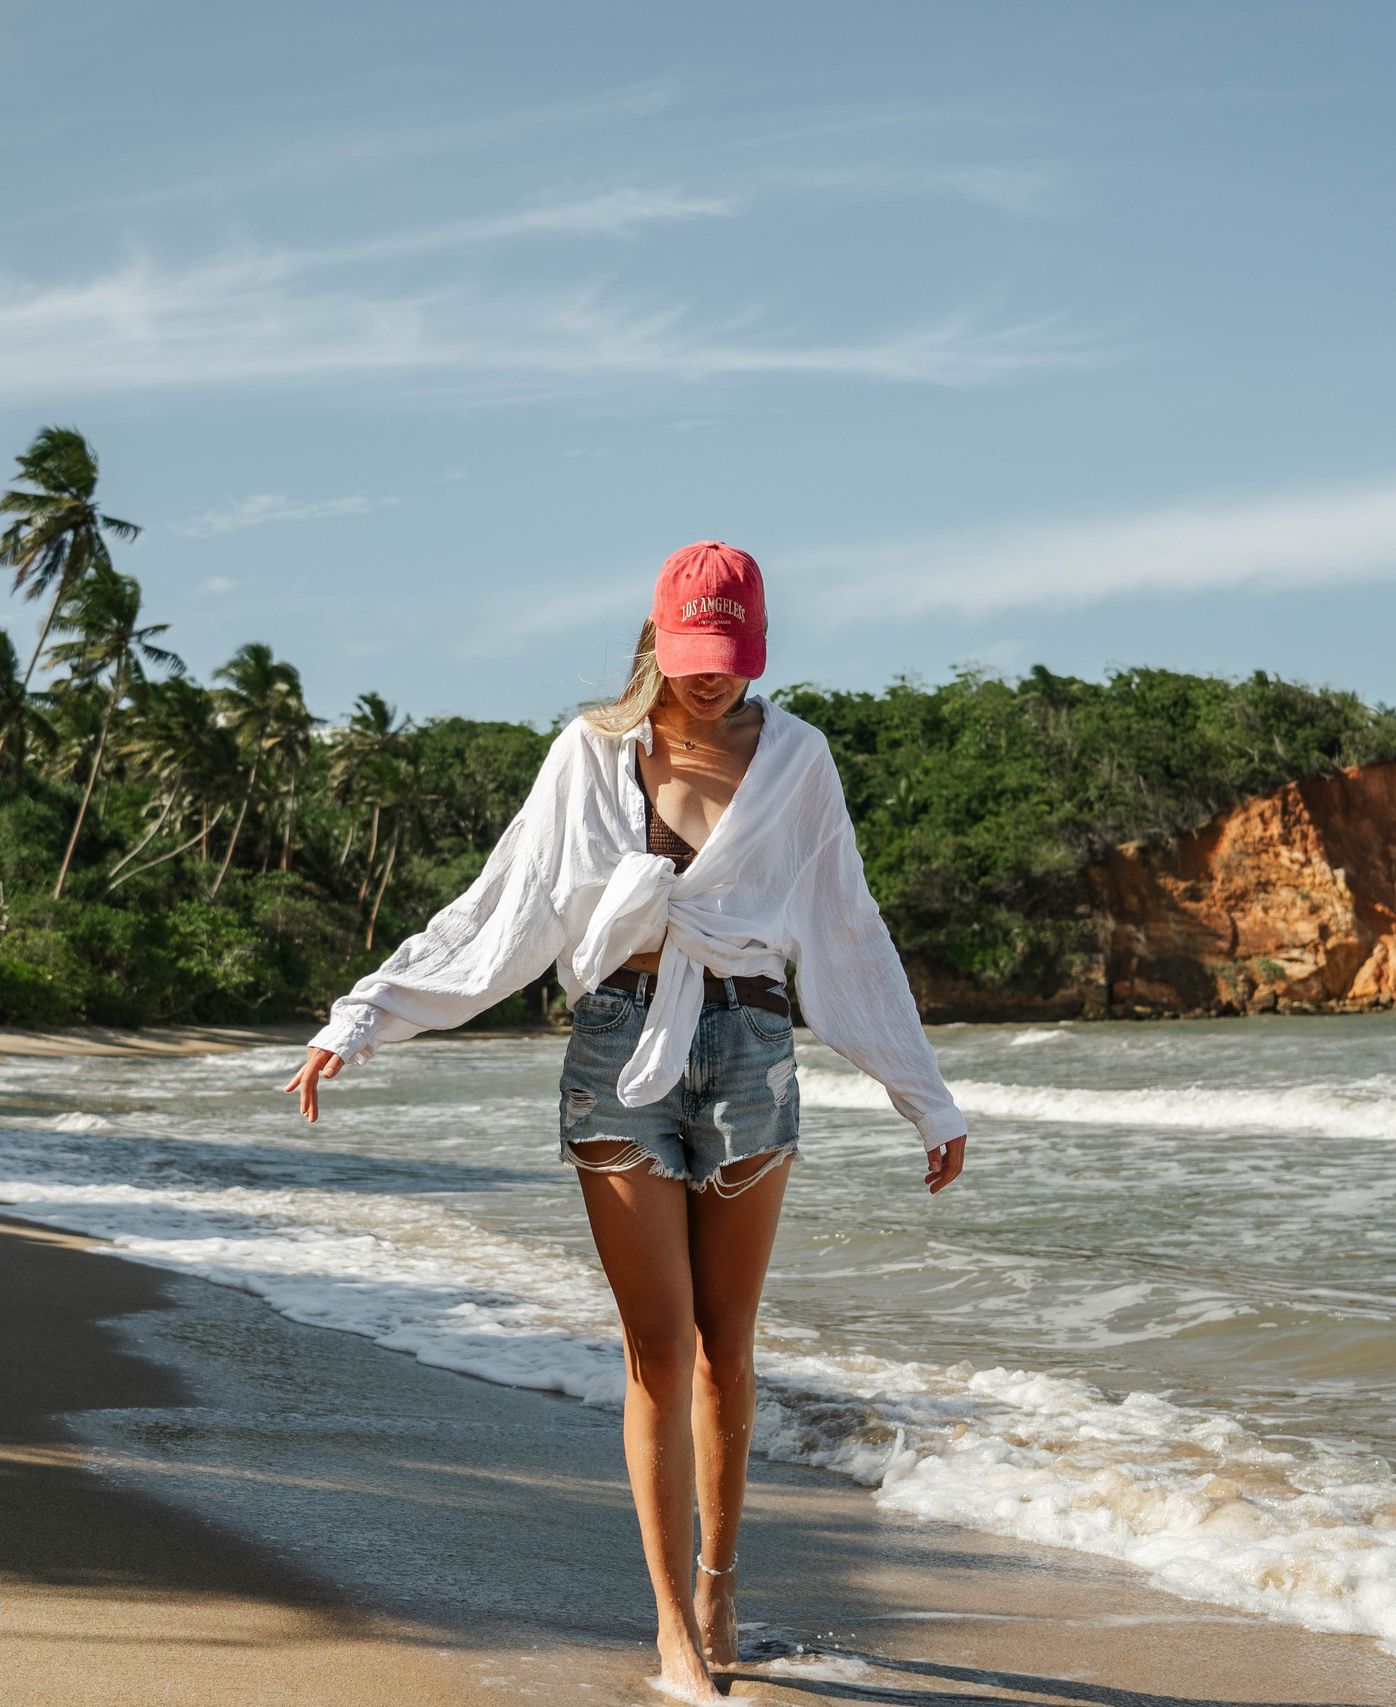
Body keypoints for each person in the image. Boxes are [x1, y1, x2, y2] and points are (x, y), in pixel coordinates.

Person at [285, 541, 968, 1703]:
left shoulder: (799, 761)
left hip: (751, 1050)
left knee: (726, 1348)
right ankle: (669, 1631)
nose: (708, 679)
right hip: (617, 1051)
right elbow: (504, 905)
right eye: (690, 655)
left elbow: (848, 930)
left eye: (729, 658)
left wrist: (924, 1094)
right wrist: (362, 1017)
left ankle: (719, 1577)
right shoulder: (591, 752)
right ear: (655, 640)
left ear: (757, 650)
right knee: (657, 1347)